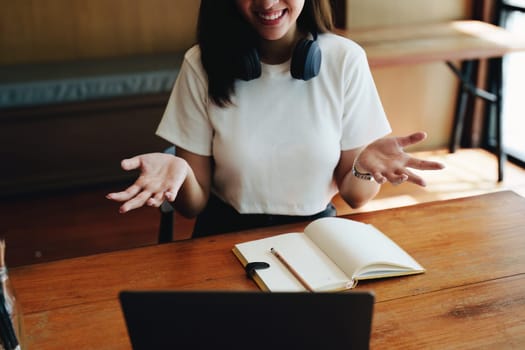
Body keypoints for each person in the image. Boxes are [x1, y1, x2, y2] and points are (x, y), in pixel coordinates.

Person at [107, 0, 444, 237]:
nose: (268, 3)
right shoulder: (201, 63)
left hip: (314, 234)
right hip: (224, 234)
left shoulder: (344, 59)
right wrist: (182, 175)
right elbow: (193, 207)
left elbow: (356, 196)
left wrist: (362, 167)